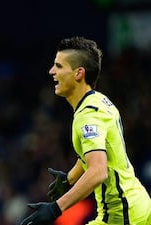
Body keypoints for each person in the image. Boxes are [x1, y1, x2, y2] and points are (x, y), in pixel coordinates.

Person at [19, 36, 151, 225]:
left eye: (59, 66)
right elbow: (96, 153)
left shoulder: (87, 116)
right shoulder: (99, 100)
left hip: (121, 215)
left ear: (78, 73)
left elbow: (98, 170)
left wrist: (56, 208)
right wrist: (69, 179)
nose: (52, 71)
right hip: (138, 202)